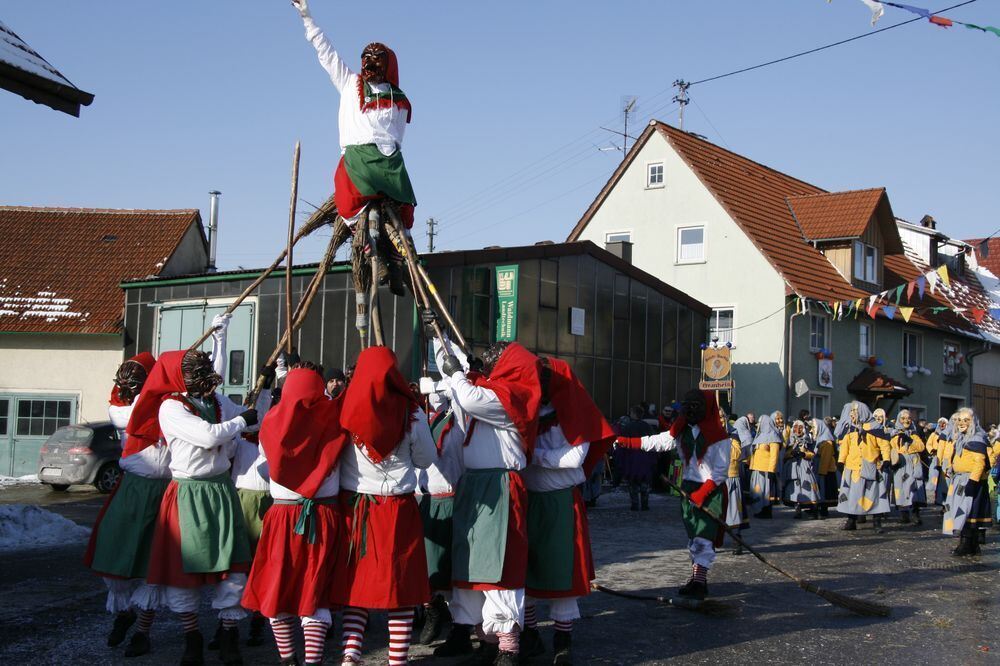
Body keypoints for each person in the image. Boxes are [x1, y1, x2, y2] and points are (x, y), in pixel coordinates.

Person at [137, 349, 256, 666]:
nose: (204, 376)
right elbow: (206, 436)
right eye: (197, 371)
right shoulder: (171, 407)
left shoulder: (217, 403)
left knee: (231, 566)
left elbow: (250, 417)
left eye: (205, 369)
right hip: (189, 493)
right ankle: (192, 637)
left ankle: (229, 634)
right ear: (181, 377)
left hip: (220, 489)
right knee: (182, 571)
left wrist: (272, 388)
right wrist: (242, 421)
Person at [290, 0, 416, 294]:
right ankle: (395, 256)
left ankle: (379, 253)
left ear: (387, 65)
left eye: (375, 59)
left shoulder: (352, 85)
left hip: (363, 162)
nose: (369, 63)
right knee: (404, 209)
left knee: (346, 198)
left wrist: (307, 17)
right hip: (391, 165)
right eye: (367, 58)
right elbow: (398, 136)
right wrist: (307, 17)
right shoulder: (398, 98)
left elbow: (326, 52)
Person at [432, 340, 542, 666]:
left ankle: (508, 645)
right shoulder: (489, 390)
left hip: (500, 487)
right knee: (471, 563)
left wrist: (457, 373)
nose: (488, 363)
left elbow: (467, 396)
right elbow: (461, 391)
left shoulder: (511, 396)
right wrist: (442, 345)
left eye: (494, 359)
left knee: (499, 564)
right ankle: (487, 640)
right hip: (475, 485)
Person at [242, 365, 349, 666]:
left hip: (282, 515)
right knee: (314, 591)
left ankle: (288, 660)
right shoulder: (333, 421)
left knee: (278, 589)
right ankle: (311, 662)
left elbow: (264, 467)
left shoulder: (272, 424)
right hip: (322, 514)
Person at [335, 347, 436, 666]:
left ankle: (351, 652)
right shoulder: (412, 412)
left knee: (356, 583)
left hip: (356, 507)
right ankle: (397, 659)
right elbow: (427, 459)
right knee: (401, 586)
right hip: (396, 508)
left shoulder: (343, 408)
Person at [520, 358, 614, 664]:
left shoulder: (574, 414)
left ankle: (563, 639)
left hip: (560, 502)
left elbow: (574, 458)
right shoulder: (530, 412)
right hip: (530, 500)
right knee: (527, 569)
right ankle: (530, 634)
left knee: (563, 572)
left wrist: (535, 456)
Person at [616, 390, 730, 600]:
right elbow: (660, 441)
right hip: (689, 489)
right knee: (694, 535)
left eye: (696, 406)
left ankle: (699, 581)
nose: (691, 411)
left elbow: (721, 471)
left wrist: (703, 493)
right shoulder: (681, 430)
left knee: (703, 537)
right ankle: (698, 580)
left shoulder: (719, 436)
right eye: (689, 406)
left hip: (710, 491)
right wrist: (628, 442)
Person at [84, 351, 161, 657]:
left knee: (153, 564)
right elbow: (136, 409)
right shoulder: (128, 410)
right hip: (133, 488)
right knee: (116, 552)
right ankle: (126, 613)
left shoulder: (165, 404)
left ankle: (142, 630)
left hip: (163, 489)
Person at [414, 375, 465, 646]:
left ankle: (461, 626)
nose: (434, 398)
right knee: (424, 566)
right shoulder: (423, 420)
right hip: (425, 500)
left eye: (439, 393)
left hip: (452, 499)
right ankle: (433, 611)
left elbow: (461, 392)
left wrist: (443, 383)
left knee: (451, 568)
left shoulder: (459, 423)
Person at [835, 401, 891, 533]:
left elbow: (884, 445)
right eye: (852, 411)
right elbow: (845, 447)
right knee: (852, 496)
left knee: (874, 495)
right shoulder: (849, 428)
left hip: (870, 467)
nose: (852, 414)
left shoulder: (875, 427)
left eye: (854, 411)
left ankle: (877, 522)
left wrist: (887, 459)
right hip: (853, 467)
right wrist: (841, 461)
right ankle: (851, 520)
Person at [943, 407, 992, 555]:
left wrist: (972, 481)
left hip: (970, 480)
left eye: (966, 420)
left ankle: (967, 545)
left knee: (968, 513)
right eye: (959, 420)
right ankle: (971, 546)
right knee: (962, 512)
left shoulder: (976, 438)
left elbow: (980, 463)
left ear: (973, 422)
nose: (961, 423)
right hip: (959, 479)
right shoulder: (961, 438)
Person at [613, 405, 658, 511]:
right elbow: (653, 442)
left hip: (631, 458)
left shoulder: (627, 427)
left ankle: (634, 504)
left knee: (633, 482)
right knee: (644, 482)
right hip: (645, 457)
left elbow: (622, 443)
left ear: (633, 414)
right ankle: (644, 503)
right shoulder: (647, 426)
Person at [890, 409, 925, 525]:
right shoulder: (894, 434)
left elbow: (921, 447)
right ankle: (904, 513)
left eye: (908, 418)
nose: (906, 420)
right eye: (903, 418)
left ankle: (916, 513)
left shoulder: (914, 433)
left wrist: (910, 440)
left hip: (912, 463)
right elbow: (891, 448)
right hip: (900, 464)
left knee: (914, 487)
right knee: (901, 487)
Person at [782, 420, 820, 520]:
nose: (798, 430)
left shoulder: (808, 440)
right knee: (795, 487)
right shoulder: (790, 441)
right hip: (794, 467)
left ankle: (814, 509)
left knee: (809, 486)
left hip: (805, 466)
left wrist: (804, 454)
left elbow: (812, 454)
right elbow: (785, 455)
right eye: (795, 428)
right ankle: (797, 509)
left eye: (800, 428)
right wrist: (791, 454)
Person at [727, 416, 753, 554]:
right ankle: (710, 543)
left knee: (734, 512)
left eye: (721, 417)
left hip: (731, 478)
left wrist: (726, 440)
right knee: (714, 513)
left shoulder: (734, 436)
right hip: (715, 480)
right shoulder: (709, 435)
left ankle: (737, 542)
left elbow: (736, 454)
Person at [748, 414, 782, 519]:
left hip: (766, 470)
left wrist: (772, 470)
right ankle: (759, 509)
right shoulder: (760, 436)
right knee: (758, 491)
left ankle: (767, 510)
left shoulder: (773, 437)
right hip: (757, 468)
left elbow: (774, 455)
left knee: (766, 492)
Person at [810, 418, 838, 518]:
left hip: (825, 471)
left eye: (813, 427)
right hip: (820, 469)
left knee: (824, 491)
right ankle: (820, 509)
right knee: (821, 491)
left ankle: (823, 510)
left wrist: (822, 472)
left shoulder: (826, 441)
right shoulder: (820, 439)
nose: (812, 429)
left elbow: (826, 458)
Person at [925, 417, 951, 505]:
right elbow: (928, 444)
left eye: (944, 423)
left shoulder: (949, 435)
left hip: (945, 459)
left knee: (944, 479)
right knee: (934, 475)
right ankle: (935, 495)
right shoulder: (934, 434)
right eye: (940, 423)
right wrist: (932, 450)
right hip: (936, 457)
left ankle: (943, 500)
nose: (942, 425)